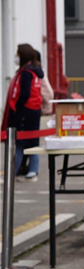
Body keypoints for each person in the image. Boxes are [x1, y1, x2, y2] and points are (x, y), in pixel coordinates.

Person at [1, 44, 44, 182]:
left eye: (18, 55)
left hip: (25, 111)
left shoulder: (26, 72)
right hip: (34, 111)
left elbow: (24, 93)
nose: (16, 57)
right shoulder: (36, 71)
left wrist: (17, 107)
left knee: (20, 143)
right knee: (33, 141)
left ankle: (12, 173)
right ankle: (32, 170)